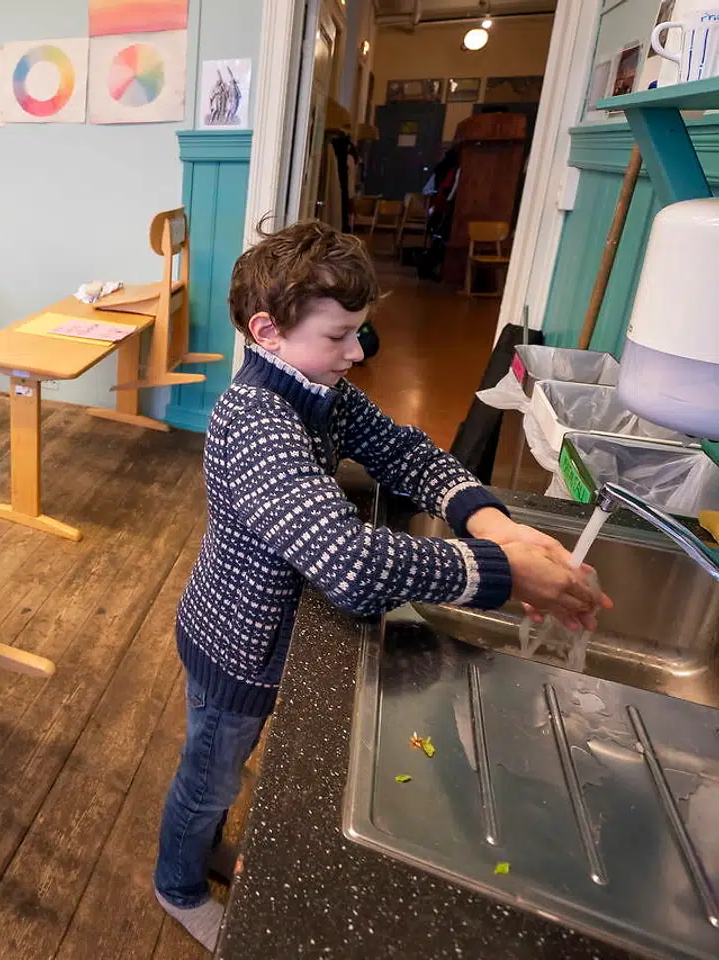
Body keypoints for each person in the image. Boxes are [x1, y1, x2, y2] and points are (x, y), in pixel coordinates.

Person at [151, 221, 610, 951]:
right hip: (235, 652)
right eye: (339, 336)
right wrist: (503, 572)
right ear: (268, 332)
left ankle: (201, 845)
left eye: (360, 332)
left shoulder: (318, 389)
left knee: (223, 773)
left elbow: (401, 450)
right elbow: (353, 568)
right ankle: (177, 884)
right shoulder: (257, 423)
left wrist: (495, 524)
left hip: (269, 642)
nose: (358, 353)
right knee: (210, 777)